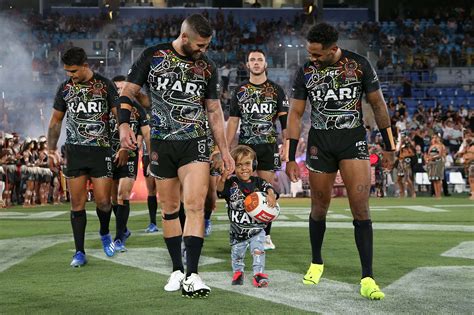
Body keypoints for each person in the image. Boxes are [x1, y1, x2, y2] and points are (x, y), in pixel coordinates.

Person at [118, 14, 234, 298]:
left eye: (207, 46)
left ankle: (193, 274)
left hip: (195, 143)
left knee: (194, 206)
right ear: (185, 38)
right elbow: (127, 94)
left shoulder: (207, 67)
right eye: (200, 45)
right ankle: (177, 269)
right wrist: (123, 125)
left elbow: (214, 112)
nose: (203, 50)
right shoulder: (153, 55)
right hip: (160, 143)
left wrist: (225, 150)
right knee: (169, 208)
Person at [285, 23, 395, 300]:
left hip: (353, 141)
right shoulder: (305, 72)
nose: (313, 58)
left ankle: (368, 277)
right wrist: (289, 156)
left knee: (361, 208)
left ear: (334, 49)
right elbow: (296, 115)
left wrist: (390, 146)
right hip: (320, 144)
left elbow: (378, 105)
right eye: (310, 53)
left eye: (318, 54)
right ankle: (316, 262)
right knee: (319, 207)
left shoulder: (359, 65)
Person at [47, 47, 119, 267]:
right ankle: (79, 252)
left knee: (104, 202)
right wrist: (50, 150)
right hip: (75, 152)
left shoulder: (105, 85)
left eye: (74, 71)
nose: (71, 75)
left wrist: (123, 142)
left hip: (101, 150)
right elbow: (56, 121)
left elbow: (118, 116)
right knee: (76, 204)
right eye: (67, 71)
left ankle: (105, 233)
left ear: (86, 66)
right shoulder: (65, 88)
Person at [226, 49, 289, 250]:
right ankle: (244, 234)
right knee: (243, 192)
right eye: (252, 59)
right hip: (246, 147)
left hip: (269, 147)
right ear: (247, 64)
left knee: (266, 190)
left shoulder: (277, 90)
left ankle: (266, 236)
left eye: (259, 59)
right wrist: (226, 148)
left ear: (265, 64)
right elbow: (233, 121)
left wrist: (287, 145)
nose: (256, 62)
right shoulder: (240, 90)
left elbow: (285, 123)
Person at [217, 145, 276, 287]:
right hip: (238, 230)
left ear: (254, 164)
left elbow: (269, 187)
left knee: (258, 251)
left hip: (257, 229)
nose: (244, 168)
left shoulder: (259, 182)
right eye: (239, 165)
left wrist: (271, 195)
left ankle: (259, 274)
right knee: (237, 254)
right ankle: (238, 272)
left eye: (247, 164)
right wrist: (223, 177)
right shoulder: (231, 184)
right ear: (233, 167)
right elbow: (219, 191)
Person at [110, 75, 151, 251]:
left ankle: (119, 238)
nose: (120, 92)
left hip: (130, 156)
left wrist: (150, 157)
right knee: (110, 199)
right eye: (116, 89)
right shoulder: (106, 108)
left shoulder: (137, 109)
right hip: (109, 156)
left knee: (122, 194)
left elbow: (147, 133)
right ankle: (123, 229)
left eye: (122, 88)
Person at [425, 134, 446, 199]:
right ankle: (436, 194)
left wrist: (432, 158)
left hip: (438, 162)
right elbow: (428, 154)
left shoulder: (441, 146)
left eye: (435, 138)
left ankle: (439, 195)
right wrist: (427, 159)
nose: (434, 139)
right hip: (432, 163)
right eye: (433, 138)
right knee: (434, 179)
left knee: (438, 179)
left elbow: (440, 154)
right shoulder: (431, 146)